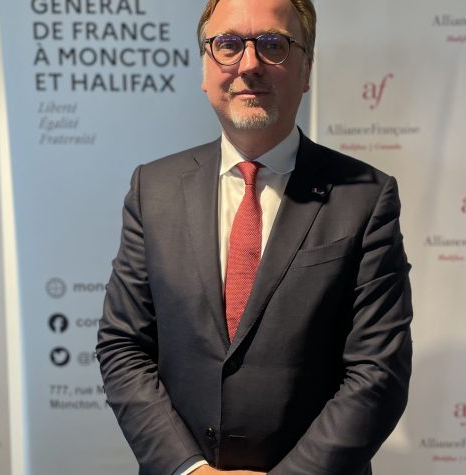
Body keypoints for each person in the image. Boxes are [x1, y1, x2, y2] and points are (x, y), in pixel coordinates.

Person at [96, 0, 413, 473]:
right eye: (227, 45)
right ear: (205, 68)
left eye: (273, 45)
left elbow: (378, 371)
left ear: (306, 68)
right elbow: (124, 347)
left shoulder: (366, 198)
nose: (249, 64)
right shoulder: (152, 189)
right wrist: (189, 469)